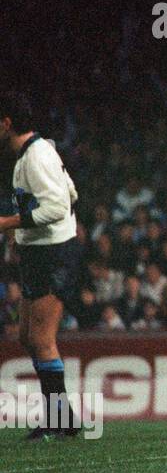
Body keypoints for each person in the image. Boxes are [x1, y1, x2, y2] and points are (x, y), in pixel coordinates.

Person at [0, 94, 82, 440]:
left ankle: (59, 421)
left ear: (7, 124)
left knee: (42, 339)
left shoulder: (36, 155)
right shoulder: (28, 156)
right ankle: (62, 416)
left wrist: (8, 223)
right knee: (25, 337)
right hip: (38, 253)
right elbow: (71, 192)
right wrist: (19, 234)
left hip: (54, 255)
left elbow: (58, 208)